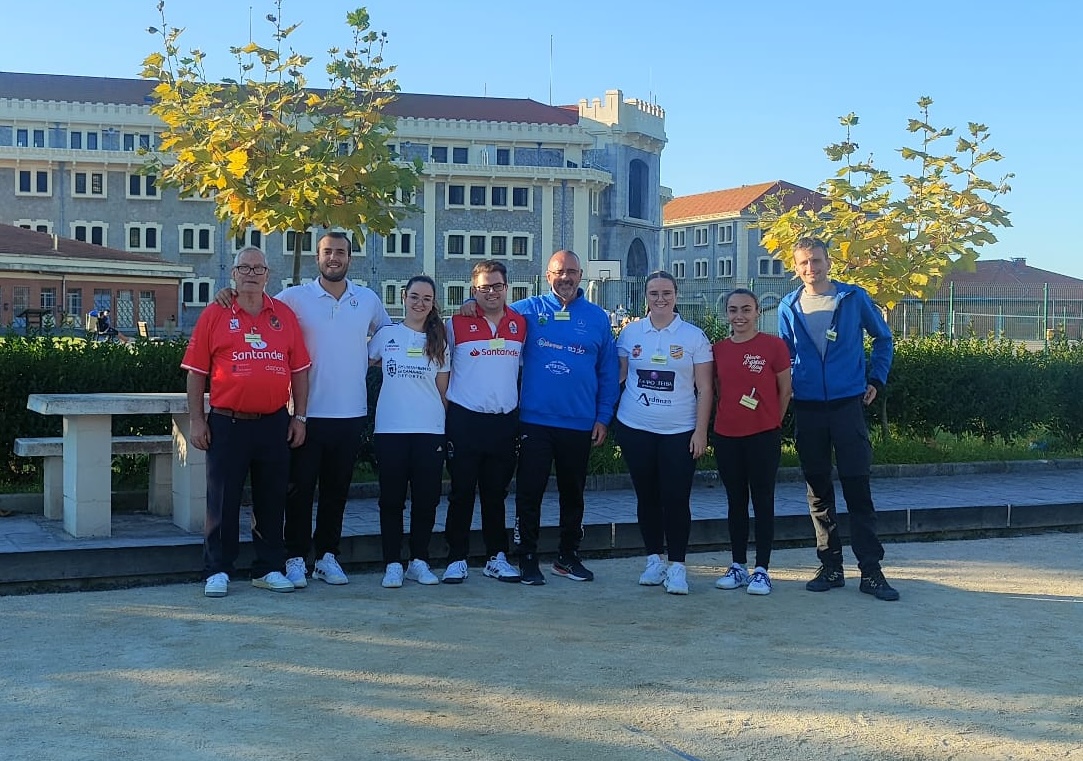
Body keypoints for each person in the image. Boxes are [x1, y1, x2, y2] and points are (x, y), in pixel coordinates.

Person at [182, 246, 311, 598]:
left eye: (258, 268)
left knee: (272, 499)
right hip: (228, 422)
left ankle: (268, 567)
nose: (251, 273)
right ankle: (218, 569)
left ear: (268, 274)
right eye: (245, 267)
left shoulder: (283, 315)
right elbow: (196, 373)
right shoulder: (215, 313)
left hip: (273, 423)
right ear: (234, 273)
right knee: (222, 500)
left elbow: (299, 371)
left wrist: (299, 416)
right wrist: (196, 420)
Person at [778, 237, 899, 601]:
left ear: (829, 262)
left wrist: (876, 378)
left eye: (816, 261)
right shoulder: (788, 305)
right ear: (796, 268)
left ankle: (871, 571)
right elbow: (784, 353)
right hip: (809, 408)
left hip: (848, 405)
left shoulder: (853, 298)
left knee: (857, 488)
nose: (810, 268)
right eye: (803, 263)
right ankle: (830, 566)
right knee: (818, 493)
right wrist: (788, 387)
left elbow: (883, 338)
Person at [274, 232, 391, 588]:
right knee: (299, 491)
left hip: (350, 413)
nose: (334, 258)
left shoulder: (367, 299)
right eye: (328, 252)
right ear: (317, 257)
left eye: (341, 252)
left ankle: (327, 556)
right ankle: (295, 558)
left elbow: (387, 332)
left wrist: (369, 356)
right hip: (306, 414)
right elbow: (260, 314)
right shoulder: (294, 298)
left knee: (336, 491)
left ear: (350, 258)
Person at [511, 250, 620, 585]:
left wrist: (603, 417)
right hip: (535, 422)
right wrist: (472, 304)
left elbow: (608, 371)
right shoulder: (528, 310)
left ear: (581, 275)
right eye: (560, 272)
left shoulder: (598, 318)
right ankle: (527, 558)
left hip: (579, 423)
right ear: (548, 275)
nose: (566, 278)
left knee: (574, 495)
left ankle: (568, 557)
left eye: (572, 271)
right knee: (530, 492)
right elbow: (493, 315)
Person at [615, 271, 713, 595]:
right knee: (647, 498)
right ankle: (653, 560)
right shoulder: (630, 333)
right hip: (636, 429)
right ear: (646, 296)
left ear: (676, 295)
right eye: (654, 293)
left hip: (679, 432)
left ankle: (678, 566)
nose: (660, 299)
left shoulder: (693, 337)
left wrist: (701, 432)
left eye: (666, 293)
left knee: (675, 498)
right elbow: (620, 377)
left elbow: (705, 388)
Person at [440, 260, 526, 584]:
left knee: (496, 494)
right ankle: (456, 558)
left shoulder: (520, 323)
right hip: (465, 419)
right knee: (461, 493)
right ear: (473, 289)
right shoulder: (456, 322)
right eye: (484, 287)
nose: (491, 292)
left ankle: (496, 557)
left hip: (504, 421)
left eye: (497, 286)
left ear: (507, 288)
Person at [368, 275, 450, 589]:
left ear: (432, 304)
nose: (419, 303)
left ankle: (419, 561)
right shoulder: (386, 334)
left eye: (426, 299)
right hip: (391, 430)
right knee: (391, 500)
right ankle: (392, 563)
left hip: (429, 431)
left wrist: (445, 429)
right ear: (404, 297)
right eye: (414, 297)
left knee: (426, 500)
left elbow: (443, 392)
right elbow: (369, 362)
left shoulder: (439, 340)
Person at [712, 289, 792, 596]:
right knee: (735, 502)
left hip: (763, 435)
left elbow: (785, 390)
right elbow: (718, 389)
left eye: (746, 309)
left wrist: (772, 422)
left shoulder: (774, 346)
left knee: (763, 500)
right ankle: (737, 566)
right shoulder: (718, 349)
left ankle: (762, 570)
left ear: (757, 312)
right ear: (727, 314)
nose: (739, 316)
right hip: (727, 436)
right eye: (733, 310)